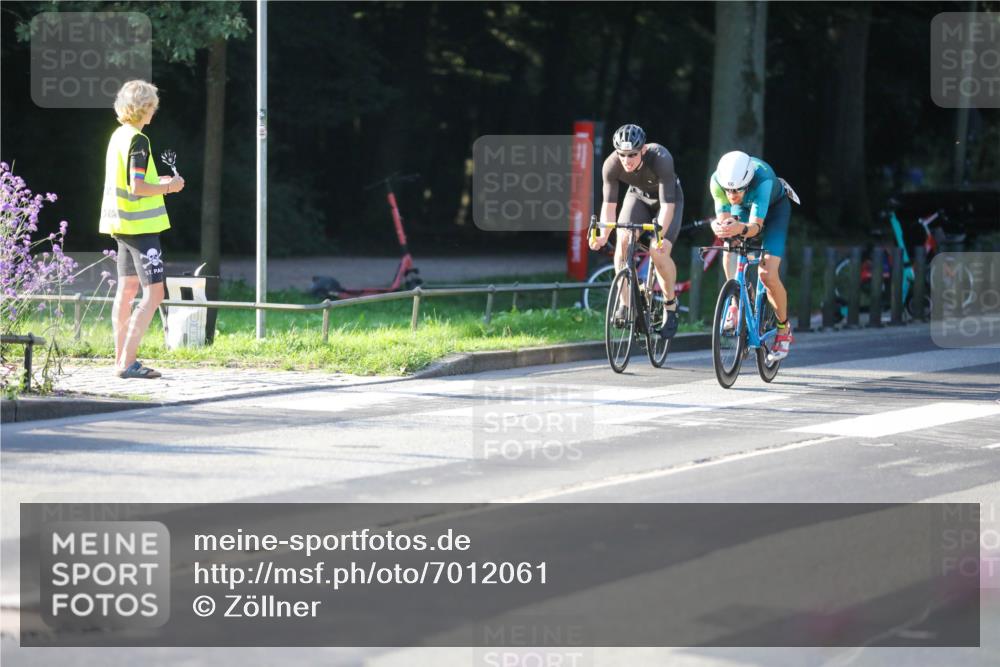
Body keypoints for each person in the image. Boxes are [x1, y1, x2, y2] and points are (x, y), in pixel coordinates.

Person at [99, 80, 185, 379]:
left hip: (120, 223)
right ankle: (128, 362)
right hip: (142, 227)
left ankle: (119, 359)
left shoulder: (118, 136)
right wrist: (170, 187)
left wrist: (160, 182)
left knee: (126, 291)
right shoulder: (139, 140)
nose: (154, 112)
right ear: (144, 108)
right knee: (155, 294)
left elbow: (131, 181)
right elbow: (137, 188)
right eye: (152, 107)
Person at [588, 124, 684, 338]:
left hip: (667, 200)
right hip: (637, 197)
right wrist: (603, 234)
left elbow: (667, 206)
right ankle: (625, 304)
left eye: (632, 154)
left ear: (643, 150)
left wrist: (659, 236)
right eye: (622, 154)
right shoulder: (611, 165)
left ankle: (670, 305)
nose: (627, 160)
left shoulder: (661, 157)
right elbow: (609, 206)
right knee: (622, 238)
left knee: (658, 252)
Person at [709, 150, 798, 361]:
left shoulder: (762, 180)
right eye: (728, 190)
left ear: (747, 183)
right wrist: (722, 227)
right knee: (731, 248)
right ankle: (735, 304)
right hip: (743, 209)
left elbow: (756, 228)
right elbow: (725, 220)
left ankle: (783, 329)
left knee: (767, 274)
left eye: (737, 190)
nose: (731, 195)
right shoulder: (716, 182)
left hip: (775, 210)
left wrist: (740, 227)